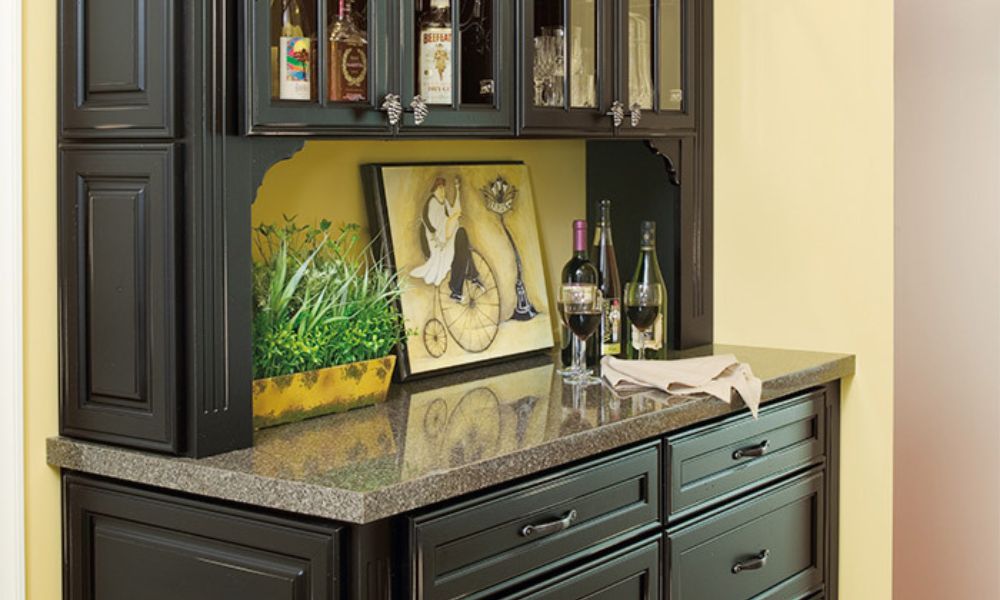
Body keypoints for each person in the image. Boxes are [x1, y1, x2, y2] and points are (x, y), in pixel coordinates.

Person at [411, 176, 482, 301]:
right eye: (440, 189)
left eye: (444, 189)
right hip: (437, 244)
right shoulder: (432, 203)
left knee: (462, 239)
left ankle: (465, 280)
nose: (443, 192)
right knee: (461, 243)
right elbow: (436, 228)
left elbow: (454, 211)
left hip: (446, 236)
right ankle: (459, 285)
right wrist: (451, 221)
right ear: (435, 189)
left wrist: (457, 191)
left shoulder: (443, 202)